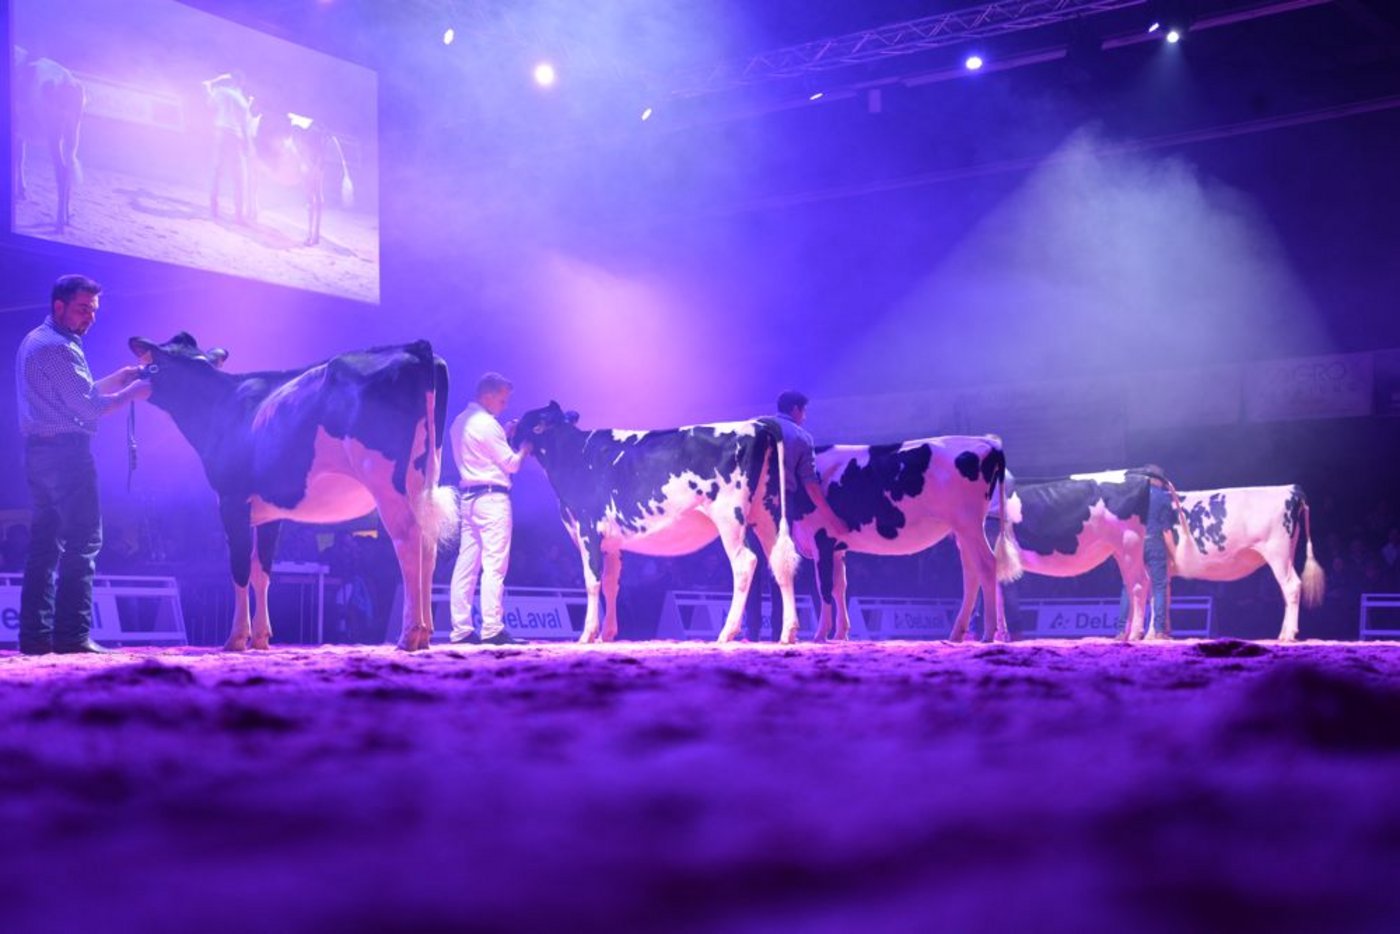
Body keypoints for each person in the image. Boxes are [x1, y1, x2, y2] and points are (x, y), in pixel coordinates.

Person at [14, 274, 150, 654]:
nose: (90, 317)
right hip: (66, 454)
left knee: (45, 546)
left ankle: (35, 636)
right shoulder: (58, 347)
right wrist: (134, 392)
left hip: (39, 453)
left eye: (93, 310)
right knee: (84, 540)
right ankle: (72, 635)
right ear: (59, 306)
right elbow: (91, 408)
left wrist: (116, 379)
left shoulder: (36, 339)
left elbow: (76, 394)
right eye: (82, 309)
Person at [745, 390, 848, 641]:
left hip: (749, 503)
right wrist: (832, 518)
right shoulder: (801, 437)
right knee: (780, 567)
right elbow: (811, 484)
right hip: (780, 504)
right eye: (804, 411)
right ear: (795, 409)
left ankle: (752, 630)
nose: (805, 416)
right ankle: (780, 629)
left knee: (750, 565)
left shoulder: (754, 427)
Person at [448, 372, 531, 645]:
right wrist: (523, 449)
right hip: (493, 500)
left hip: (468, 498)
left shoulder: (458, 423)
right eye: (502, 400)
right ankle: (492, 628)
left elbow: (483, 453)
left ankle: (461, 629)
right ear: (487, 396)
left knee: (466, 565)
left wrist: (502, 436)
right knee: (494, 565)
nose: (504, 406)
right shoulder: (488, 424)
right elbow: (511, 464)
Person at [1118, 464, 1174, 640]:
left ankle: (1122, 631)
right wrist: (1173, 553)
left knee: (1129, 586)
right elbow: (1166, 529)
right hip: (1154, 541)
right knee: (1159, 586)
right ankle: (1158, 630)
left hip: (1134, 544)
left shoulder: (1133, 497)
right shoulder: (1163, 498)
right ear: (1158, 480)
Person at [203, 71, 254, 223]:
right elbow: (245, 125)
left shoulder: (220, 92)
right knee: (239, 177)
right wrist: (247, 145)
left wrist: (211, 84)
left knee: (217, 171)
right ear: (241, 84)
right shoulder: (242, 100)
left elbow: (209, 105)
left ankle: (213, 209)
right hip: (236, 136)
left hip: (220, 132)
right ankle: (238, 215)